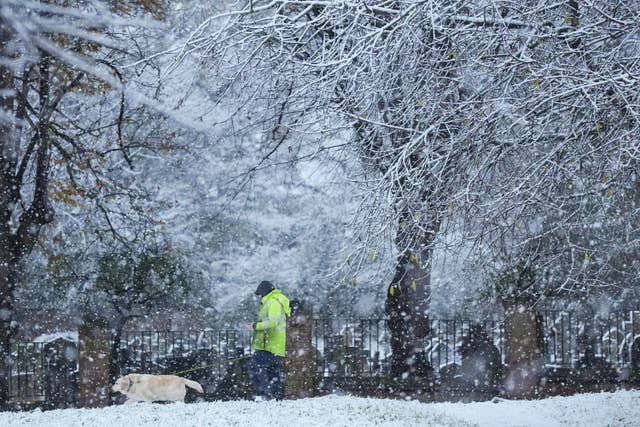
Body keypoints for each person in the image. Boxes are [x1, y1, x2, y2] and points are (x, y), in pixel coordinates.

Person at [248, 280, 290, 400]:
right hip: (272, 344)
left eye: (260, 294)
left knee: (255, 367)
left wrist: (256, 326)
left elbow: (273, 322)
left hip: (270, 344)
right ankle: (275, 396)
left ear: (264, 292)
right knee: (272, 371)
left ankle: (264, 394)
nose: (259, 297)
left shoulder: (273, 302)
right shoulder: (272, 301)